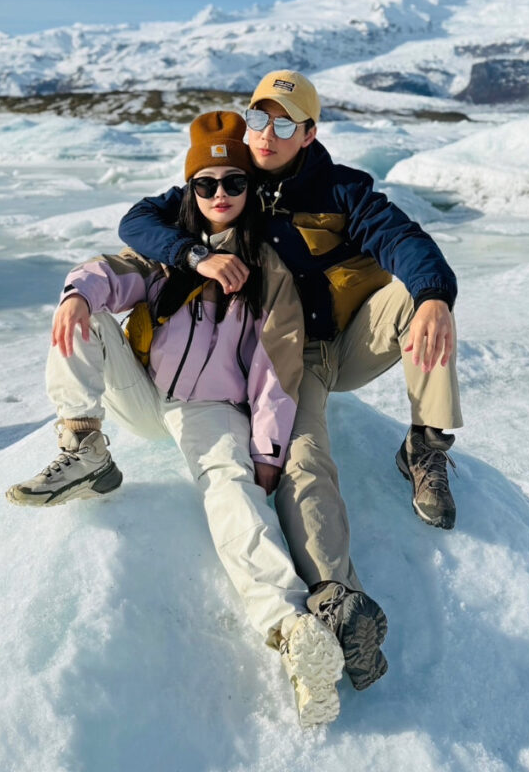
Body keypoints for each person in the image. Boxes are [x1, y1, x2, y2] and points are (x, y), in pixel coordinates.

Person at [118, 69, 463, 693]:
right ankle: (340, 599)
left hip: (337, 343)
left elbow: (405, 242)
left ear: (308, 133)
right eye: (258, 119)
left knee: (424, 299)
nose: (266, 135)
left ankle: (425, 445)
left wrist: (436, 294)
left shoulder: (342, 191)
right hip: (271, 357)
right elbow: (139, 222)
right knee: (304, 458)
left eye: (283, 124)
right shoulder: (226, 180)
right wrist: (193, 255)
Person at [6, 111, 351, 728]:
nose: (221, 195)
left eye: (234, 183)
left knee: (229, 492)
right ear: (190, 190)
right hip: (146, 391)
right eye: (206, 185)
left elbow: (278, 370)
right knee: (80, 314)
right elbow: (113, 271)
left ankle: (292, 629)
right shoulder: (171, 251)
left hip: (210, 409)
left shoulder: (271, 271)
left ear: (250, 189)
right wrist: (79, 292)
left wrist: (269, 453)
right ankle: (84, 446)